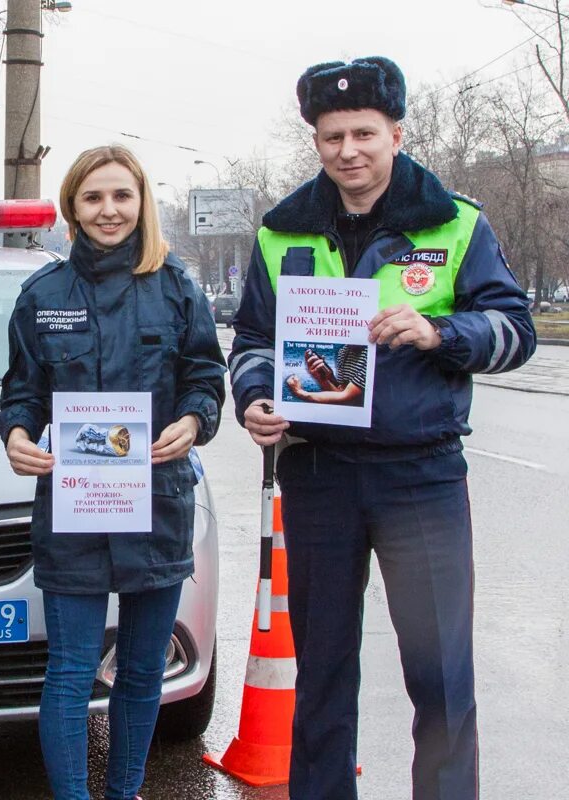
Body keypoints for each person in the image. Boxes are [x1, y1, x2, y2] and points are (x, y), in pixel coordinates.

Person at [229, 57, 536, 800]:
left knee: (439, 677)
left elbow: (515, 329)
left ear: (397, 133)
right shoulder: (280, 231)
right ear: (317, 142)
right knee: (324, 671)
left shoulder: (455, 222)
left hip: (420, 477)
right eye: (332, 136)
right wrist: (255, 402)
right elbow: (252, 345)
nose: (348, 151)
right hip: (318, 474)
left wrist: (440, 334)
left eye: (365, 132)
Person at [0, 145, 225, 800]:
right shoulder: (42, 294)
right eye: (93, 197)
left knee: (142, 672)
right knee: (70, 672)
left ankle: (124, 795)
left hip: (155, 502)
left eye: (122, 196)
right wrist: (15, 434)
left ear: (142, 203)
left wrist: (194, 420)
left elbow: (205, 379)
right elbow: (22, 392)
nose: (109, 210)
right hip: (75, 508)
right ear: (72, 206)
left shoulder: (178, 287)